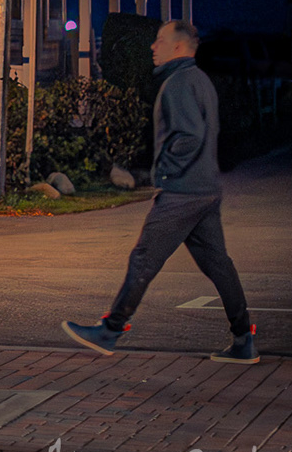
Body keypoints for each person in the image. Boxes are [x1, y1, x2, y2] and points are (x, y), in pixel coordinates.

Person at [62, 20, 258, 364]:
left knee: (144, 259)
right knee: (218, 265)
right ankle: (243, 339)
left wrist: (165, 172)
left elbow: (190, 136)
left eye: (160, 40)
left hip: (182, 192)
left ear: (179, 47)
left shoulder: (178, 83)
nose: (153, 47)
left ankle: (110, 330)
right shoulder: (200, 80)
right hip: (205, 189)